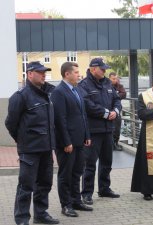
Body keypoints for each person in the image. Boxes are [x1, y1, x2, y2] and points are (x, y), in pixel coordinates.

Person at [5, 61, 59, 225]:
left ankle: (40, 214)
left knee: (45, 183)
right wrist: (22, 140)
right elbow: (10, 123)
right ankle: (21, 218)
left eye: (45, 72)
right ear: (29, 74)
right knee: (26, 185)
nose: (44, 74)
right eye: (40, 72)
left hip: (46, 148)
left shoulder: (47, 94)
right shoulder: (20, 96)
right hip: (29, 150)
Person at [78, 58, 122, 205]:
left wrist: (115, 110)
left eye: (105, 69)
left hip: (108, 129)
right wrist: (104, 113)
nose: (104, 71)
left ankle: (104, 188)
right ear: (93, 69)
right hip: (93, 130)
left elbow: (117, 99)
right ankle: (87, 193)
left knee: (107, 162)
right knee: (90, 163)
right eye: (102, 69)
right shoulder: (84, 85)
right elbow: (86, 104)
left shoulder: (107, 83)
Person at [51, 62, 92, 217]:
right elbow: (60, 120)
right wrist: (66, 142)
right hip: (67, 143)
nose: (79, 75)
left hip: (80, 140)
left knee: (77, 172)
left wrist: (87, 135)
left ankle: (76, 201)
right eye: (76, 72)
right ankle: (66, 205)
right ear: (66, 74)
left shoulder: (77, 90)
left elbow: (83, 115)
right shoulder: (58, 92)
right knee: (66, 174)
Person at [109, 72, 127, 151]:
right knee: (110, 129)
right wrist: (116, 95)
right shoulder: (106, 86)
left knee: (117, 128)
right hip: (108, 110)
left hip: (117, 110)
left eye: (116, 78)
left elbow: (124, 94)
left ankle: (116, 143)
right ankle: (110, 144)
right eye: (113, 79)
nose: (115, 80)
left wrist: (114, 96)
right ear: (109, 78)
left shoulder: (120, 86)